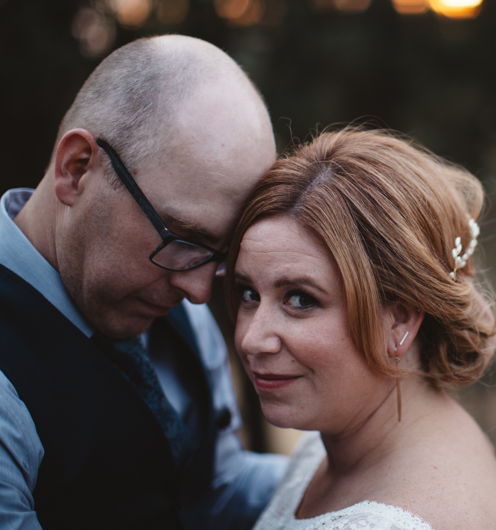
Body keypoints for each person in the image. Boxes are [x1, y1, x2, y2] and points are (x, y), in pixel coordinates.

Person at [0, 35, 288, 530]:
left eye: (220, 255)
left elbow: (212, 488)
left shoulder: (173, 295)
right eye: (181, 237)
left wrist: (370, 480)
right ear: (77, 169)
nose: (199, 293)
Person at [227, 129, 496, 530]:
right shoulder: (339, 439)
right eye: (248, 293)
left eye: (300, 299)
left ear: (399, 319)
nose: (251, 339)